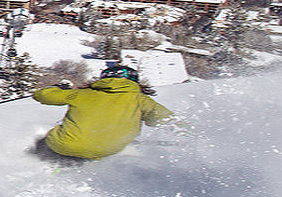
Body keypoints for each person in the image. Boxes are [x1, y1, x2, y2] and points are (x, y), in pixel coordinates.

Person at [31, 65, 176, 162]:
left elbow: (42, 95)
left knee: (48, 138)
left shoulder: (82, 94)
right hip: (107, 150)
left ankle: (38, 160)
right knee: (95, 147)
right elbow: (164, 119)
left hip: (63, 146)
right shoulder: (141, 100)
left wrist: (57, 88)